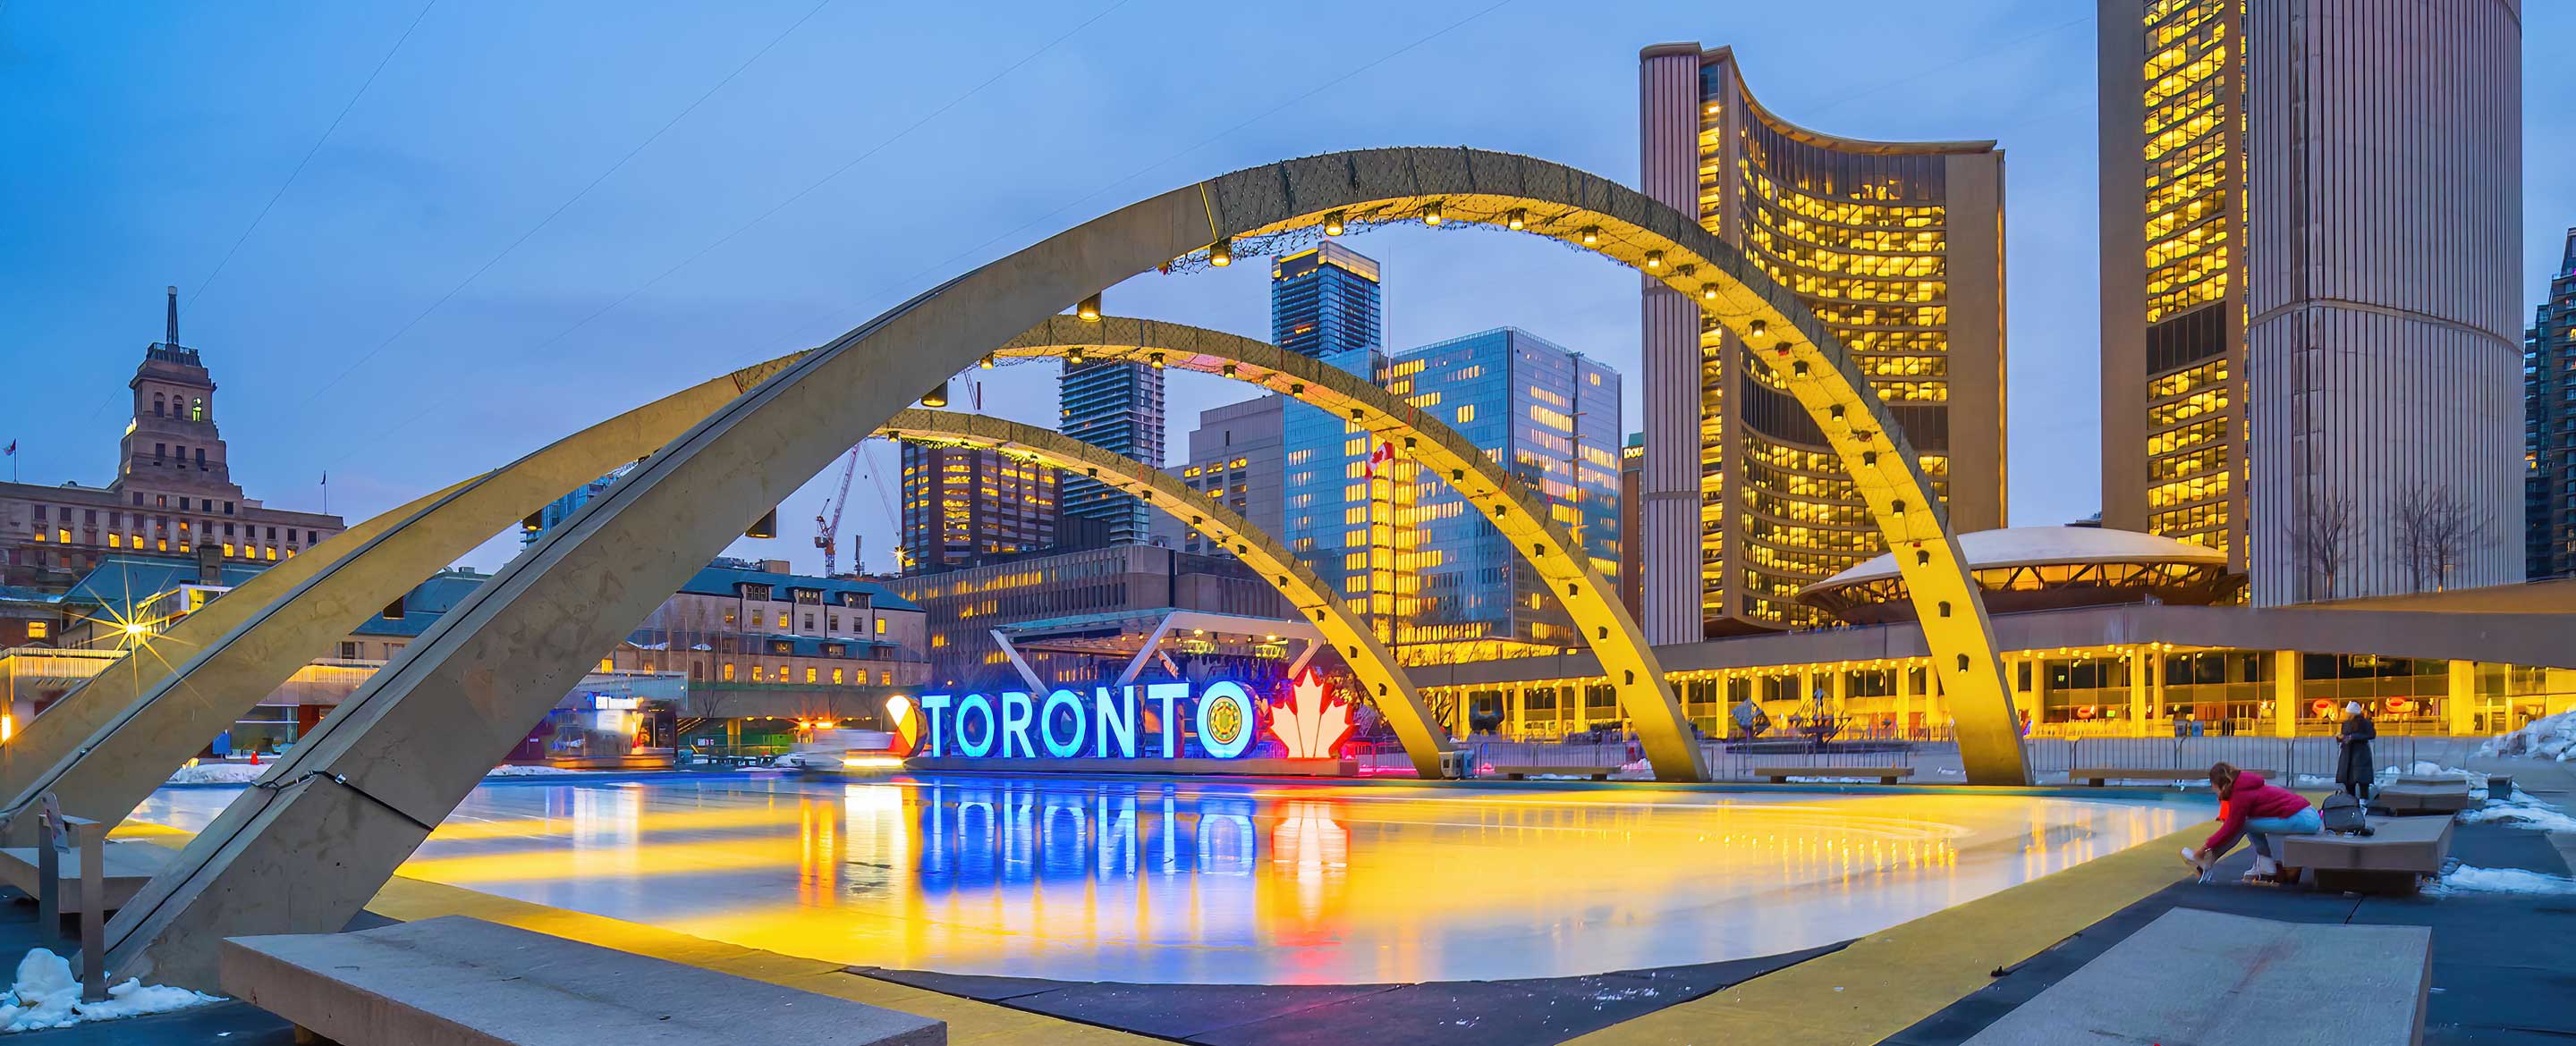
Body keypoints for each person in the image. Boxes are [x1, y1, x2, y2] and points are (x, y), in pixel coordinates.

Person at [2183, 762, 2320, 884]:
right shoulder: (2244, 787)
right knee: (2248, 822)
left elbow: (2231, 827)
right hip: (2306, 815)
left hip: (2304, 819)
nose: (2213, 790)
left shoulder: (2241, 794)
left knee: (2242, 824)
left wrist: (2202, 849)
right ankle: (2266, 864)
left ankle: (2207, 860)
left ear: (2221, 784)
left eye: (2213, 786)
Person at [2336, 701, 2377, 799]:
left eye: (2349, 713)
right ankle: (2351, 801)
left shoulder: (2365, 723)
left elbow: (2371, 735)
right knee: (2348, 781)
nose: (2348, 715)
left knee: (2362, 781)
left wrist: (2352, 737)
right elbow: (2345, 735)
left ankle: (2364, 801)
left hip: (2360, 754)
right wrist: (2341, 738)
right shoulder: (2346, 723)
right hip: (2347, 754)